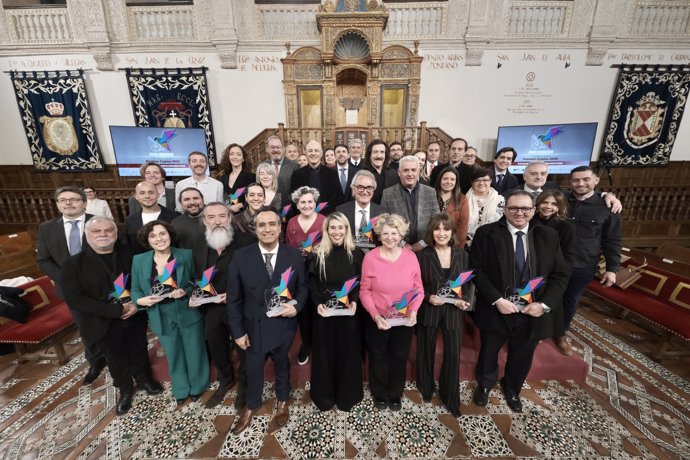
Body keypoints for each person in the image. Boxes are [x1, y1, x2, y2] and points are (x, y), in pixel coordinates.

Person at [470, 191, 569, 413]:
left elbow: (561, 274)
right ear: (505, 209)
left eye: (525, 208)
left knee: (523, 353)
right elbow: (476, 271)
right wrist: (496, 299)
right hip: (497, 307)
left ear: (533, 210)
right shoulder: (486, 233)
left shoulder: (548, 236)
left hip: (532, 310)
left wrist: (543, 305)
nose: (519, 213)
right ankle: (485, 384)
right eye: (514, 208)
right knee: (489, 350)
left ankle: (512, 387)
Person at [61, 217, 163, 415]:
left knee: (139, 348)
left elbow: (147, 280)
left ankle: (144, 379)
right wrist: (117, 311)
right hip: (103, 320)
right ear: (87, 235)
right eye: (96, 231)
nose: (103, 234)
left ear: (116, 234)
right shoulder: (73, 264)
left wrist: (135, 305)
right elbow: (76, 299)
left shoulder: (134, 256)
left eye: (108, 231)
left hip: (135, 314)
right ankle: (125, 389)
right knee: (115, 356)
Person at [228, 207, 308, 434]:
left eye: (272, 224)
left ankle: (283, 400)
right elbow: (233, 299)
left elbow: (302, 288)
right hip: (253, 326)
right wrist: (238, 332)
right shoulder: (241, 257)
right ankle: (251, 405)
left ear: (280, 227)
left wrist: (296, 307)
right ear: (254, 229)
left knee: (282, 364)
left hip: (283, 324)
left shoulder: (294, 255)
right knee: (253, 367)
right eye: (262, 225)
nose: (267, 229)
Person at [131, 220, 210, 404]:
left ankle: (198, 384)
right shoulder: (139, 260)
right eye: (153, 236)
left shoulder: (186, 255)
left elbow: (197, 282)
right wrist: (139, 300)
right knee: (173, 352)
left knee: (194, 349)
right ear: (147, 240)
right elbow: (135, 289)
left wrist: (186, 291)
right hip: (159, 313)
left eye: (162, 234)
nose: (159, 239)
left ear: (170, 235)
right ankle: (181, 387)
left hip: (185, 309)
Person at [37, 186, 104, 384]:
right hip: (69, 289)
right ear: (57, 205)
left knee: (110, 322)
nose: (68, 203)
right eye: (63, 200)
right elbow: (44, 260)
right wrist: (67, 278)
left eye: (74, 199)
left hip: (100, 285)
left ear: (84, 203)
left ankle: (115, 354)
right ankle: (95, 361)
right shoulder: (46, 228)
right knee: (84, 325)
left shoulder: (99, 222)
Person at [360, 213, 423, 411]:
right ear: (379, 235)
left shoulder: (411, 256)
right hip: (379, 319)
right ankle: (379, 392)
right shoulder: (370, 258)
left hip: (404, 320)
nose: (390, 237)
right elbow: (365, 291)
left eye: (394, 233)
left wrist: (413, 311)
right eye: (385, 233)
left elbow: (418, 289)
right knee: (378, 355)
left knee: (399, 355)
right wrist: (375, 316)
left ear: (401, 234)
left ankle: (395, 393)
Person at [556, 166, 622, 354]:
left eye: (586, 179)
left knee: (570, 300)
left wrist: (612, 269)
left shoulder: (608, 207)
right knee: (547, 296)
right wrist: (606, 193)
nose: (581, 183)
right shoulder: (561, 200)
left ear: (596, 181)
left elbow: (612, 240)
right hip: (555, 261)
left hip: (582, 264)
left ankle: (560, 334)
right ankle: (539, 331)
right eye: (576, 180)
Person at [192, 202, 247, 409]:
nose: (217, 221)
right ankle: (225, 380)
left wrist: (232, 295)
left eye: (222, 216)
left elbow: (254, 277)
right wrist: (194, 295)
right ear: (204, 221)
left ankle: (245, 384)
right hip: (211, 307)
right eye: (211, 217)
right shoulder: (198, 244)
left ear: (230, 218)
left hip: (239, 305)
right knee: (216, 344)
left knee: (243, 347)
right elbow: (194, 276)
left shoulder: (245, 242)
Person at [416, 213, 472, 417]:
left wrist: (465, 299)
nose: (441, 233)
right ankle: (426, 388)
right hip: (430, 308)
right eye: (437, 229)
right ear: (431, 232)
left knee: (453, 354)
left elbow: (467, 283)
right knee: (425, 349)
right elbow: (416, 286)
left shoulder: (462, 255)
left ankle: (450, 396)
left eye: (446, 229)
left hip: (453, 311)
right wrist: (428, 297)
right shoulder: (422, 255)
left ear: (452, 232)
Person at [308, 212, 364, 411]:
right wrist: (317, 303)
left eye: (341, 227)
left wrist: (355, 301)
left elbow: (360, 282)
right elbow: (313, 282)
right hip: (324, 313)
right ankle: (324, 397)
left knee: (348, 354)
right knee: (324, 354)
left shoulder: (357, 253)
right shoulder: (317, 253)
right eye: (332, 228)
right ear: (326, 230)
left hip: (348, 313)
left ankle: (347, 396)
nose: (337, 232)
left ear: (347, 230)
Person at [533, 190, 579, 354]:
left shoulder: (566, 226)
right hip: (531, 270)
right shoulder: (529, 220)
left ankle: (559, 335)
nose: (548, 206)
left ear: (560, 206)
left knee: (554, 303)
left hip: (553, 273)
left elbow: (568, 255)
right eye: (545, 202)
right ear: (538, 203)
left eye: (553, 204)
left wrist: (560, 274)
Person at [285, 186, 325, 365]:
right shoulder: (292, 222)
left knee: (319, 308)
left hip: (319, 272)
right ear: (297, 204)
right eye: (303, 202)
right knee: (303, 311)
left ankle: (320, 343)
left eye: (310, 201)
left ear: (315, 203)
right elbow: (287, 248)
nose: (307, 205)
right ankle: (306, 344)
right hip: (298, 274)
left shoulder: (324, 221)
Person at [380, 155, 440, 251]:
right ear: (399, 173)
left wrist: (423, 243)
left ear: (419, 171)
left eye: (413, 170)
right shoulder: (387, 193)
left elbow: (436, 221)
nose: (410, 173)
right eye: (406, 170)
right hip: (397, 248)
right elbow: (383, 222)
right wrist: (402, 244)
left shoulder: (430, 192)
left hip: (426, 248)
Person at [289, 140, 345, 215]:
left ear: (321, 154)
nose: (313, 153)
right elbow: (294, 198)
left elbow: (337, 198)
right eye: (310, 151)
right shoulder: (297, 174)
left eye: (316, 151)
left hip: (326, 216)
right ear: (306, 153)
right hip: (304, 216)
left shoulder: (332, 173)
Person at [124, 181, 180, 254]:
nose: (147, 196)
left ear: (158, 194)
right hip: (142, 263)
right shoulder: (130, 220)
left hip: (171, 262)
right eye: (142, 193)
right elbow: (129, 246)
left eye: (151, 192)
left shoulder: (175, 217)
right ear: (136, 197)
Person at [335, 169, 386, 247]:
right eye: (360, 187)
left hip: (374, 256)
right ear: (353, 189)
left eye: (369, 188)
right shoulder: (341, 211)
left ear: (373, 190)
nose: (365, 192)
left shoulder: (383, 213)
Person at [465, 168, 505, 247]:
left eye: (485, 180)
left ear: (490, 181)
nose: (481, 183)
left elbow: (502, 223)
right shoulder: (463, 199)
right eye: (477, 180)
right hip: (467, 243)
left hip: (492, 242)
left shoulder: (500, 200)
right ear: (472, 182)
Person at [434, 166, 469, 248]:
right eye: (445, 178)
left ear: (456, 182)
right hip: (429, 242)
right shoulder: (431, 194)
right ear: (440, 180)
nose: (448, 182)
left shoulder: (462, 199)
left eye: (452, 179)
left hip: (451, 244)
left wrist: (457, 248)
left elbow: (462, 227)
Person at [216, 143, 254, 214]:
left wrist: (240, 205)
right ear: (228, 157)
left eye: (238, 154)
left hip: (243, 217)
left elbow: (255, 198)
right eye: (232, 154)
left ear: (243, 159)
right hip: (226, 216)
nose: (235, 157)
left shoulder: (251, 177)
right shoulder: (223, 178)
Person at [261, 135, 299, 201]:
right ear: (267, 149)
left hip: (288, 207)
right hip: (267, 206)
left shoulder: (294, 166)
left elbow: (297, 190)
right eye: (272, 147)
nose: (275, 150)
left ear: (283, 149)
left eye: (278, 147)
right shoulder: (262, 165)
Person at [232, 183, 266, 248]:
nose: (256, 198)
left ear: (264, 198)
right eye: (251, 195)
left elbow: (280, 242)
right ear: (246, 198)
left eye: (260, 195)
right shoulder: (236, 220)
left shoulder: (273, 217)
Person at [364, 140, 398, 204]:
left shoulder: (393, 174)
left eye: (382, 152)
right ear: (369, 155)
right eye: (375, 152)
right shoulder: (361, 174)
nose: (379, 156)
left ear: (386, 155)